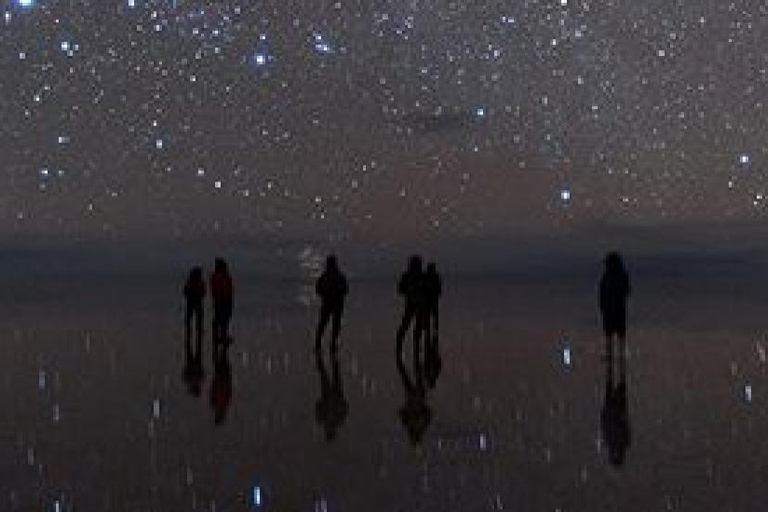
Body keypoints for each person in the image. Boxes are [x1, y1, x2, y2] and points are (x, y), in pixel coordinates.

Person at [395, 255, 428, 359]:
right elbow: (400, 289)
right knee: (406, 326)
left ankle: (413, 348)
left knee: (414, 327)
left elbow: (428, 291)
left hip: (418, 305)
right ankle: (400, 348)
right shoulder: (410, 276)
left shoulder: (421, 276)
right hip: (412, 305)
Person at [315, 255, 349, 352]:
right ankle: (330, 343)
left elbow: (318, 289)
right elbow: (346, 290)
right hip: (337, 303)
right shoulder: (340, 276)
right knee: (333, 324)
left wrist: (325, 294)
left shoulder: (324, 277)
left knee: (324, 324)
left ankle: (319, 343)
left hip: (329, 303)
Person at [599, 252, 630, 347]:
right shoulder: (620, 275)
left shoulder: (608, 276)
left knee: (613, 335)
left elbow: (602, 293)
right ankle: (619, 356)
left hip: (613, 309)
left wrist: (602, 305)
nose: (606, 265)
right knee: (618, 335)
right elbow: (627, 291)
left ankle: (614, 356)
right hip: (615, 309)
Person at [210, 258, 233, 345]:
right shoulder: (219, 276)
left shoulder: (221, 276)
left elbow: (229, 288)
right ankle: (219, 336)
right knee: (222, 318)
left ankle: (220, 335)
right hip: (221, 299)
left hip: (223, 299)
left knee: (223, 318)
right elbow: (217, 289)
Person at [183, 266, 206, 340]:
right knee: (197, 316)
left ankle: (190, 330)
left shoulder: (190, 281)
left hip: (191, 300)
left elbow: (185, 291)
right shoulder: (198, 282)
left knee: (191, 316)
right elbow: (203, 291)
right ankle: (197, 329)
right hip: (196, 300)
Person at [423, 262, 442, 342]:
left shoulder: (434, 277)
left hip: (432, 300)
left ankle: (433, 331)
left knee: (433, 316)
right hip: (429, 300)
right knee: (430, 316)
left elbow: (439, 289)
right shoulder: (430, 277)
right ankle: (430, 331)